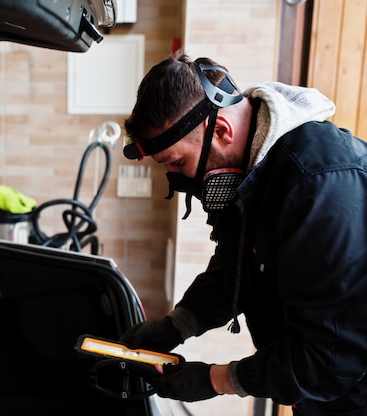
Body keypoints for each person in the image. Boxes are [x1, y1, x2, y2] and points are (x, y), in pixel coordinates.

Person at [119, 51, 367, 415]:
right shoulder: (251, 175)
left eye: (177, 162)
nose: (177, 178)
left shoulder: (318, 188)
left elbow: (331, 359)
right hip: (321, 394)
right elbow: (236, 269)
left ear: (220, 131)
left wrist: (214, 380)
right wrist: (176, 325)